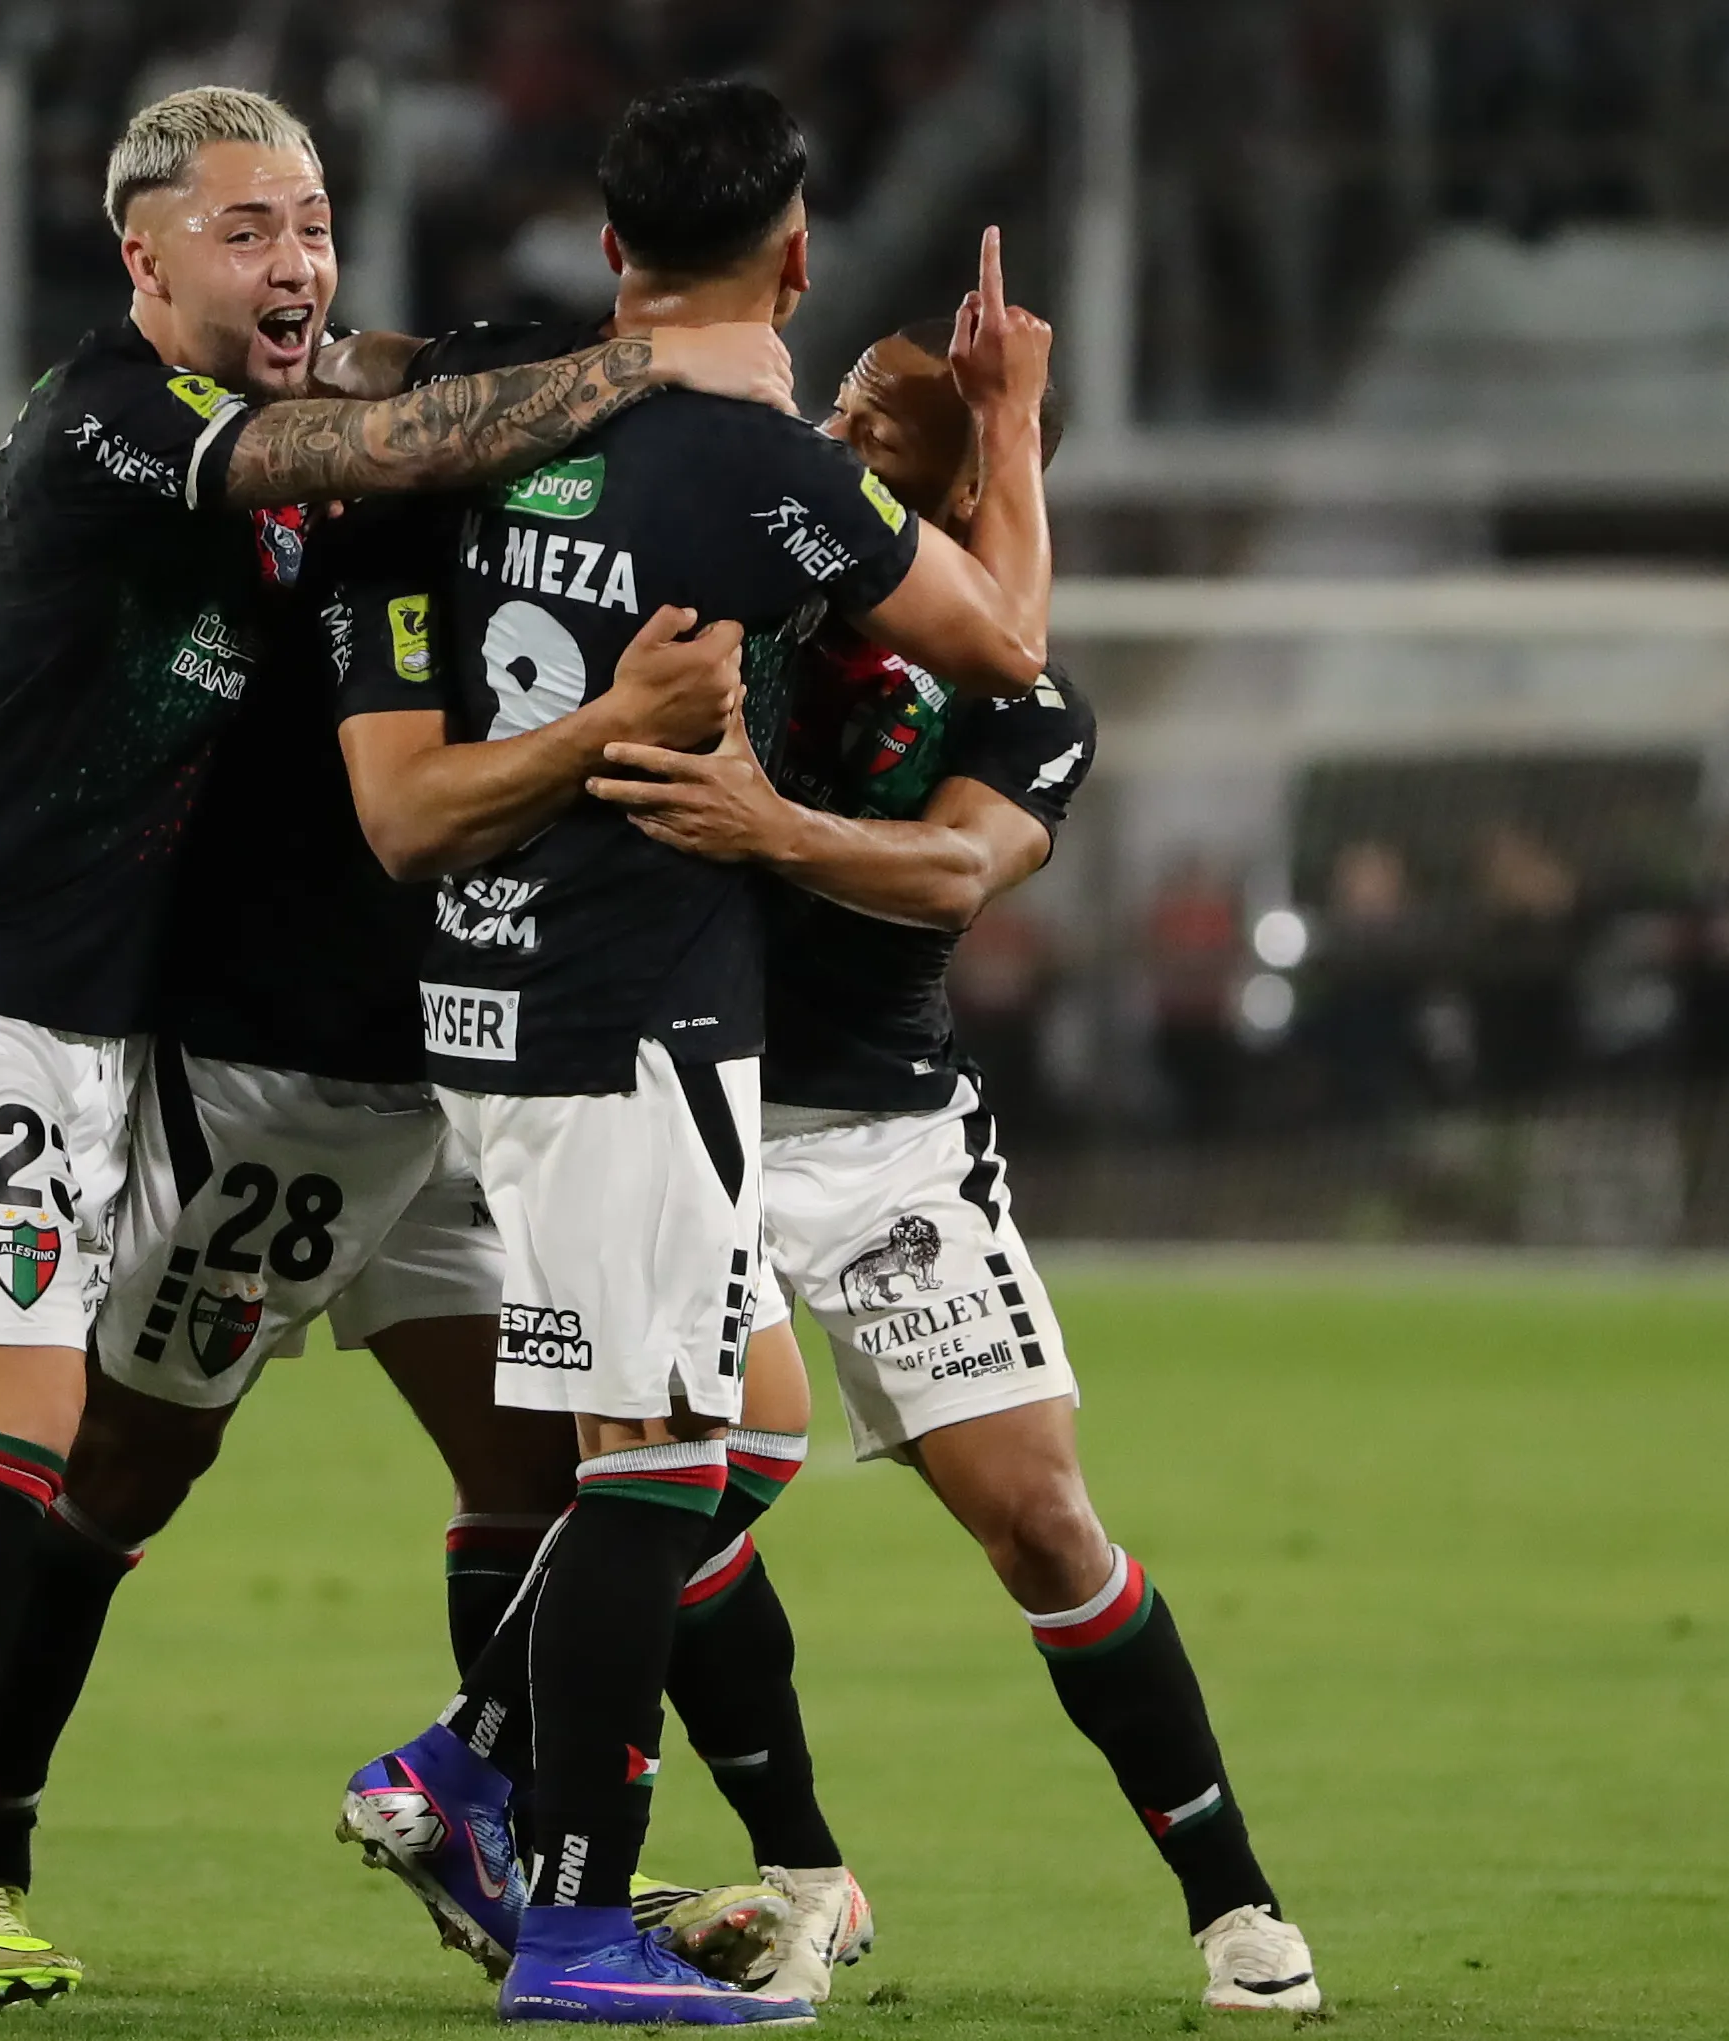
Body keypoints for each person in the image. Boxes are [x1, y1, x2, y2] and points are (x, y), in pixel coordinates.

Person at [0, 84, 793, 2006]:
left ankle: (457, 1817)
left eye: (313, 222)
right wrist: (654, 364)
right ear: (141, 260)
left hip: (265, 1037)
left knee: (583, 1461)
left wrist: (565, 374)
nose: (296, 261)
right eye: (246, 231)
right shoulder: (122, 426)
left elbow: (404, 392)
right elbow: (398, 428)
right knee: (24, 1444)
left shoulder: (285, 425)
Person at [332, 83, 1055, 2028]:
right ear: (803, 258)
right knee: (660, 1464)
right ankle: (566, 1928)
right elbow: (1002, 647)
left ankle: (470, 1768)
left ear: (610, 251)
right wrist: (1008, 430)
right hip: (630, 1030)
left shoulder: (497, 441)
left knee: (738, 1427)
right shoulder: (756, 467)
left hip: (483, 1017)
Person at [577, 320, 1325, 2017]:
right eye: (831, 400)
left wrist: (775, 832)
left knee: (1047, 1524)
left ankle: (1234, 1908)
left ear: (959, 483)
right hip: (680, 1104)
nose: (832, 429)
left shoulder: (1026, 701)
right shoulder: (743, 589)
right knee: (682, 1489)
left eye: (872, 418)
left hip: (891, 1140)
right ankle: (800, 1864)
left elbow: (952, 876)